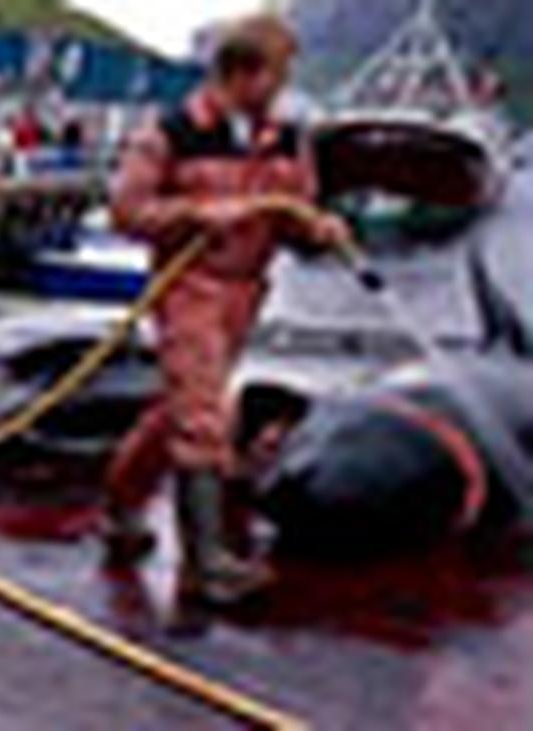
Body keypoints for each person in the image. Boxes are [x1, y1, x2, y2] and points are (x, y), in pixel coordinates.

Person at [98, 14, 351, 605]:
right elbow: (126, 213)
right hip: (190, 286)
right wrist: (194, 214)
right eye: (277, 74)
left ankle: (120, 504)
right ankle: (205, 563)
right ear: (243, 72)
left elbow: (296, 216)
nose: (283, 88)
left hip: (247, 290)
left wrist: (322, 230)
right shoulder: (171, 133)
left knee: (180, 408)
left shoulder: (287, 139)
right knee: (203, 418)